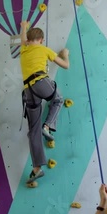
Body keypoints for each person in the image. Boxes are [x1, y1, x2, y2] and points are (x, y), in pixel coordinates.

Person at [19, 21, 70, 184]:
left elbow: (22, 39)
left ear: (28, 40)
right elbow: (66, 66)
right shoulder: (44, 49)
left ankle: (36, 169)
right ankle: (47, 126)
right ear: (41, 39)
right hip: (40, 82)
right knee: (58, 99)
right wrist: (65, 53)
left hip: (28, 90)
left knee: (33, 131)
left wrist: (24, 26)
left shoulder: (24, 49)